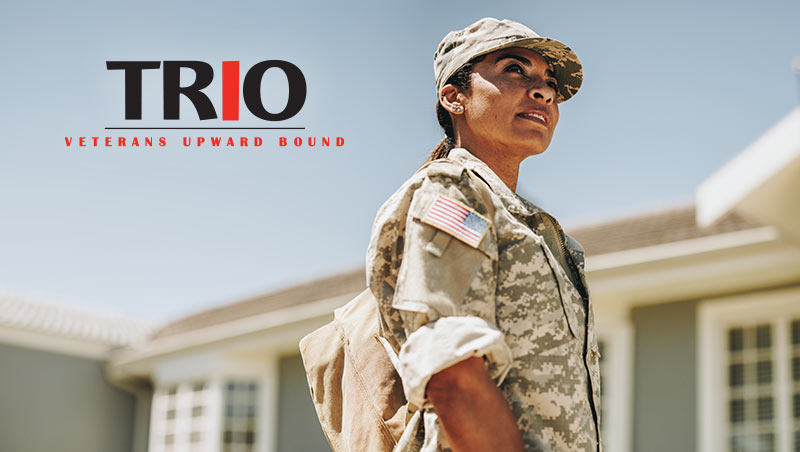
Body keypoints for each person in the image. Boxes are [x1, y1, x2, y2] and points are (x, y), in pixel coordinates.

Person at [365, 17, 601, 452]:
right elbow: (452, 372)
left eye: (549, 82)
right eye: (515, 69)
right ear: (454, 97)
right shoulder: (454, 193)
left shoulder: (537, 228)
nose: (544, 91)